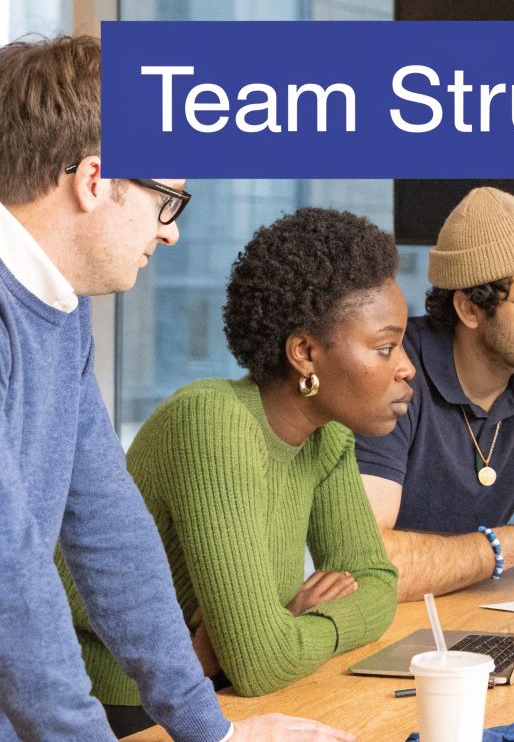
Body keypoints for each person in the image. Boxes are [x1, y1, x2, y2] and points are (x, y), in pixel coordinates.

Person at [0, 35, 349, 740]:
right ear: (94, 180)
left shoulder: (62, 310)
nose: (171, 234)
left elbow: (108, 528)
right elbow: (9, 573)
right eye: (167, 202)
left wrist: (210, 731)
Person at [63, 208, 405, 735]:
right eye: (384, 348)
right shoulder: (212, 421)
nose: (405, 367)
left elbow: (378, 586)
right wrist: (261, 640)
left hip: (216, 695)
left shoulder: (327, 435)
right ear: (305, 353)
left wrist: (290, 625)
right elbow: (259, 663)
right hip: (127, 709)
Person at [357, 187, 514, 600]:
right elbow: (369, 565)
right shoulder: (394, 372)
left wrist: (512, 547)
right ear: (469, 308)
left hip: (478, 604)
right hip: (390, 619)